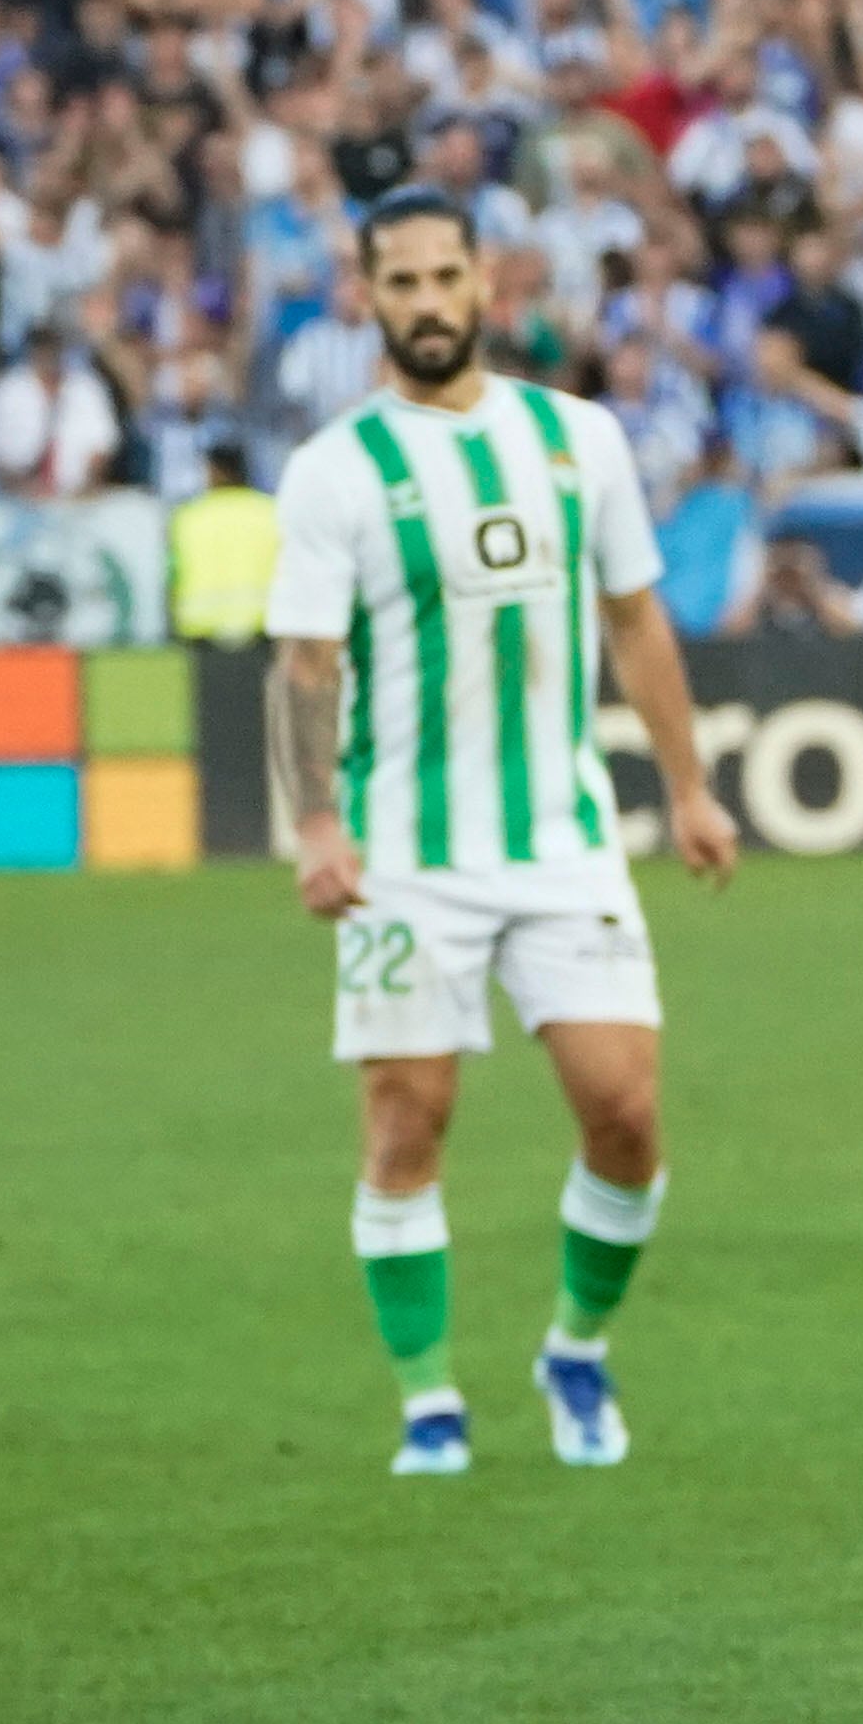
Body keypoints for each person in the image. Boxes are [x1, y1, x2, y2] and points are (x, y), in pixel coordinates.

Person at [260, 185, 740, 1478]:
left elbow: (636, 621)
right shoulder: (334, 468)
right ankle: (428, 1401)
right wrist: (314, 821)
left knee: (624, 1110)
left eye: (442, 277)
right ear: (366, 297)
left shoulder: (577, 439)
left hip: (564, 841)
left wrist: (688, 787)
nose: (424, 302)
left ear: (485, 286)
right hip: (401, 851)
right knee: (407, 1121)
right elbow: (303, 665)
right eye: (398, 283)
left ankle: (574, 1353)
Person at [169, 441, 281, 643]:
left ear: (214, 471)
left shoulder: (188, 517)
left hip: (201, 630)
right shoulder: (270, 512)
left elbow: (172, 573)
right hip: (264, 627)